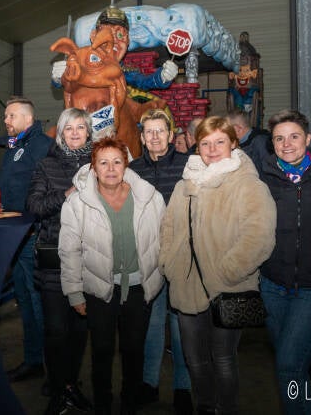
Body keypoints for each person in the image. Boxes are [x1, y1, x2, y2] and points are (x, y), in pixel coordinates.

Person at [159, 116, 275, 415]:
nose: (211, 149)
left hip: (228, 287)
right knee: (193, 360)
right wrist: (169, 264)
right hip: (185, 285)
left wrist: (226, 272)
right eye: (205, 143)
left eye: (219, 142)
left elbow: (259, 237)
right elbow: (168, 228)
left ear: (233, 143)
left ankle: (227, 410)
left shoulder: (248, 184)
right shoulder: (187, 183)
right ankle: (205, 408)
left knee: (223, 359)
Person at [59, 137, 164, 415]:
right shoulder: (77, 204)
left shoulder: (150, 197)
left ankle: (130, 403)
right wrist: (74, 292)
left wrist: (160, 275)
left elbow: (164, 239)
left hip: (139, 287)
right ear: (93, 167)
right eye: (103, 162)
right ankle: (103, 404)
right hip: (98, 289)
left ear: (126, 165)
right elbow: (68, 251)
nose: (110, 168)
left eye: (117, 161)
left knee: (133, 350)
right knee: (102, 351)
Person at [257, 110, 311, 415]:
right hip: (272, 286)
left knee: (289, 364)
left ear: (307, 138)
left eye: (293, 136)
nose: (286, 144)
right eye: (279, 138)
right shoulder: (263, 180)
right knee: (289, 364)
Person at [26, 108, 94, 415]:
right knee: (56, 331)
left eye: (81, 127)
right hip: (54, 258)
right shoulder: (46, 165)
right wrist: (68, 192)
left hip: (91, 259)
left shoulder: (99, 163)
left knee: (80, 331)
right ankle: (57, 390)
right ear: (61, 133)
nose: (76, 133)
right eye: (70, 128)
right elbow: (35, 206)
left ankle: (70, 386)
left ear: (89, 132)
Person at [128, 109, 191, 414]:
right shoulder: (133, 170)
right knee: (152, 326)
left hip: (181, 260)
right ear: (141, 137)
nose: (154, 137)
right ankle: (149, 385)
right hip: (147, 261)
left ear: (170, 135)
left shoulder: (187, 166)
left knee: (181, 327)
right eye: (148, 132)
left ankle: (184, 388)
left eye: (160, 131)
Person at [0, 96, 53, 382]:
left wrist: (36, 224)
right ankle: (33, 360)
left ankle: (52, 369)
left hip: (33, 234)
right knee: (23, 296)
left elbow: (46, 189)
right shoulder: (15, 146)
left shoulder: (41, 145)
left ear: (26, 118)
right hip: (16, 235)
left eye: (10, 116)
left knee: (38, 300)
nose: (5, 121)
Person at [52, 6, 179, 91]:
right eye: (106, 33)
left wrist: (163, 76)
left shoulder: (124, 70)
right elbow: (69, 81)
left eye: (120, 35)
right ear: (93, 36)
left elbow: (143, 81)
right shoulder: (82, 63)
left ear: (128, 41)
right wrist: (60, 77)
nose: (113, 41)